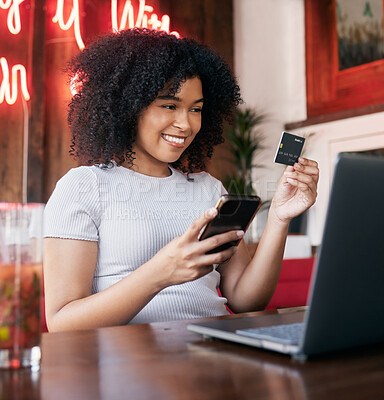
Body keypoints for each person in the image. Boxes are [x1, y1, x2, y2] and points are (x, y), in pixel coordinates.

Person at [44, 28, 319, 332]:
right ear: (129, 105)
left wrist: (280, 218)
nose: (186, 124)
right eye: (169, 105)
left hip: (215, 354)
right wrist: (162, 272)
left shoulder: (208, 189)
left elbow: (245, 301)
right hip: (132, 363)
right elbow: (62, 322)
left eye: (196, 109)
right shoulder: (84, 187)